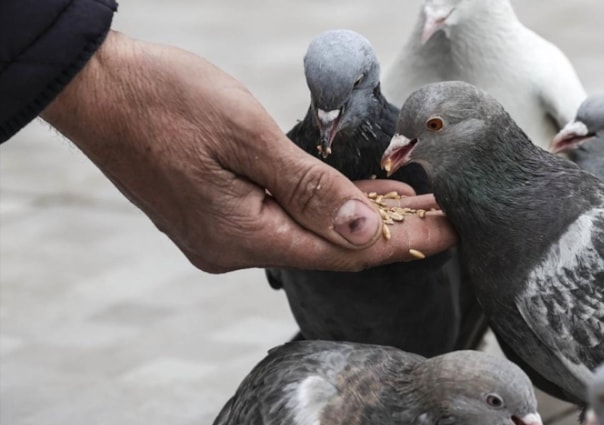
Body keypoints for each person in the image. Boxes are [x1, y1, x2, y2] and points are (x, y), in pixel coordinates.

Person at [0, 0, 457, 273]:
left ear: (369, 80)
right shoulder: (295, 150)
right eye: (322, 105)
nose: (326, 123)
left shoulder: (420, 154)